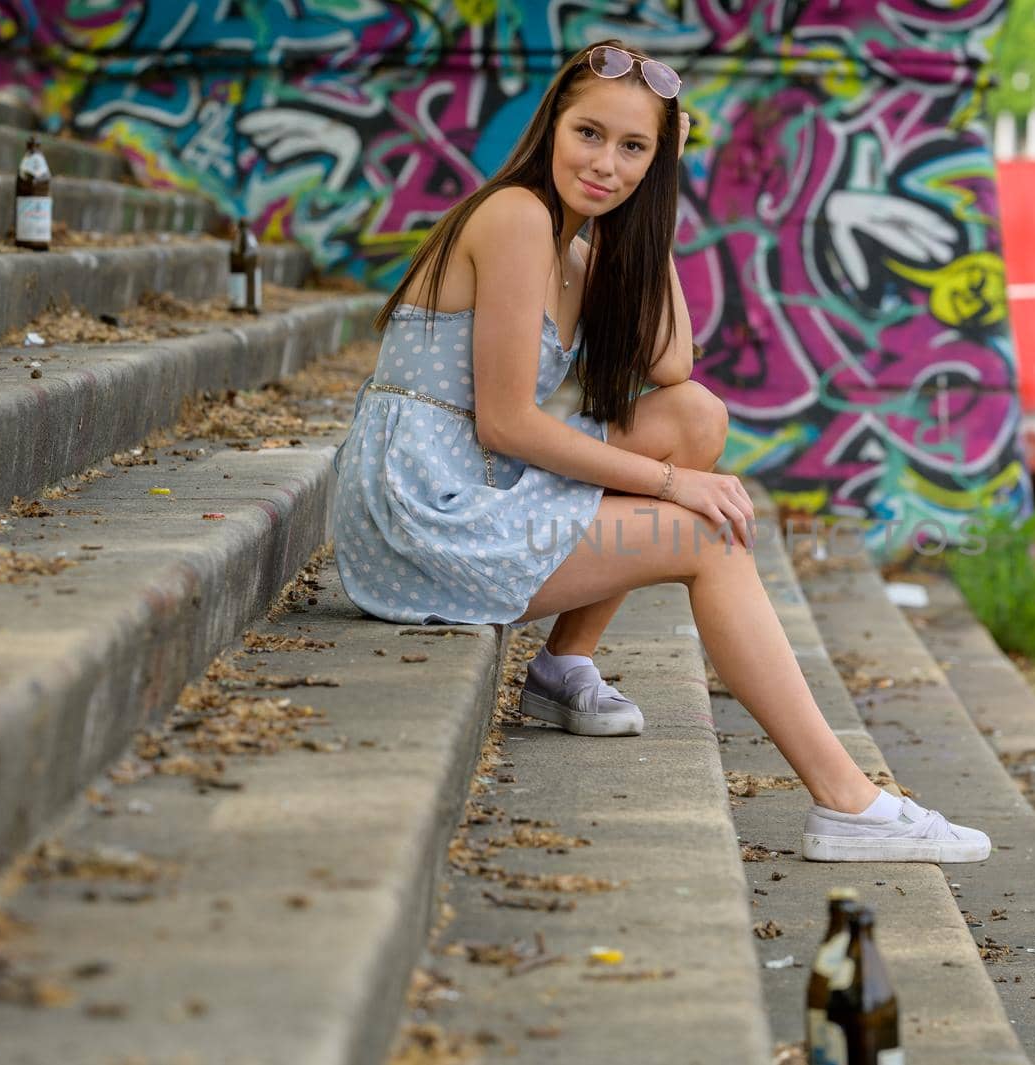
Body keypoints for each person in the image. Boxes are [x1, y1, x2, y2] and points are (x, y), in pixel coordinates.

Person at [331, 40, 989, 863]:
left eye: (634, 147)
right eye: (590, 134)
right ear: (552, 127)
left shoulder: (580, 245)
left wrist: (651, 209)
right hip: (430, 505)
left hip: (474, 475)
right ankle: (846, 800)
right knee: (706, 537)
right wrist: (671, 485)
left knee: (694, 417)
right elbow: (505, 421)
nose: (606, 163)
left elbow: (673, 364)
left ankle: (562, 665)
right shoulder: (517, 218)